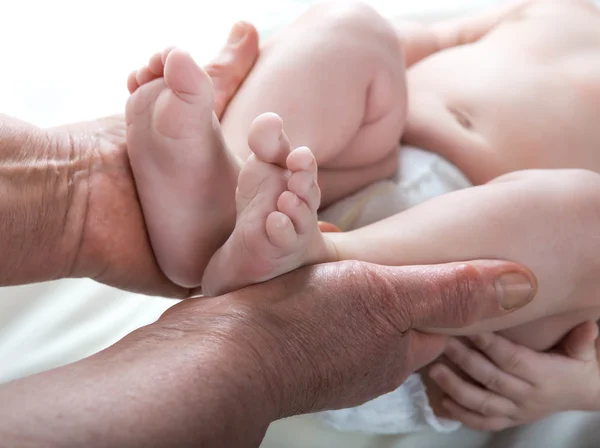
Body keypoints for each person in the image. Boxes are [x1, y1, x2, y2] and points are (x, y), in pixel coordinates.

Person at [124, 0, 600, 432]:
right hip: (339, 169)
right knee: (352, 26)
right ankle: (219, 199)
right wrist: (308, 60)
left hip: (439, 308)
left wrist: (581, 389)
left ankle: (321, 264)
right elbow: (434, 41)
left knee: (590, 219)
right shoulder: (558, 8)